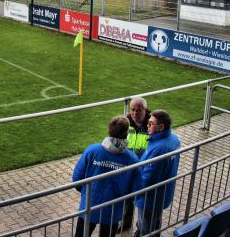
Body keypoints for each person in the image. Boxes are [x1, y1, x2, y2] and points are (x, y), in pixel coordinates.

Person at [72, 116, 140, 237]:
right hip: (114, 211)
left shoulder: (92, 150)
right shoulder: (132, 159)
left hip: (89, 205)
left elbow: (77, 179)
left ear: (109, 130)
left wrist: (85, 192)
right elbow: (135, 190)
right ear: (126, 134)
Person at [134, 109, 180, 237]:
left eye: (150, 124)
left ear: (161, 127)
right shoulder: (173, 139)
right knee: (154, 223)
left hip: (149, 197)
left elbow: (148, 179)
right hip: (162, 192)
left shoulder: (159, 149)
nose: (147, 126)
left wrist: (133, 188)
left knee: (147, 228)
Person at [119, 97, 151, 233]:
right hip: (128, 169)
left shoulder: (152, 124)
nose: (135, 113)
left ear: (145, 110)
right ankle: (125, 224)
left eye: (139, 110)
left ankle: (141, 228)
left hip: (144, 170)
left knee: (143, 202)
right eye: (133, 110)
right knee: (127, 199)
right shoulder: (125, 123)